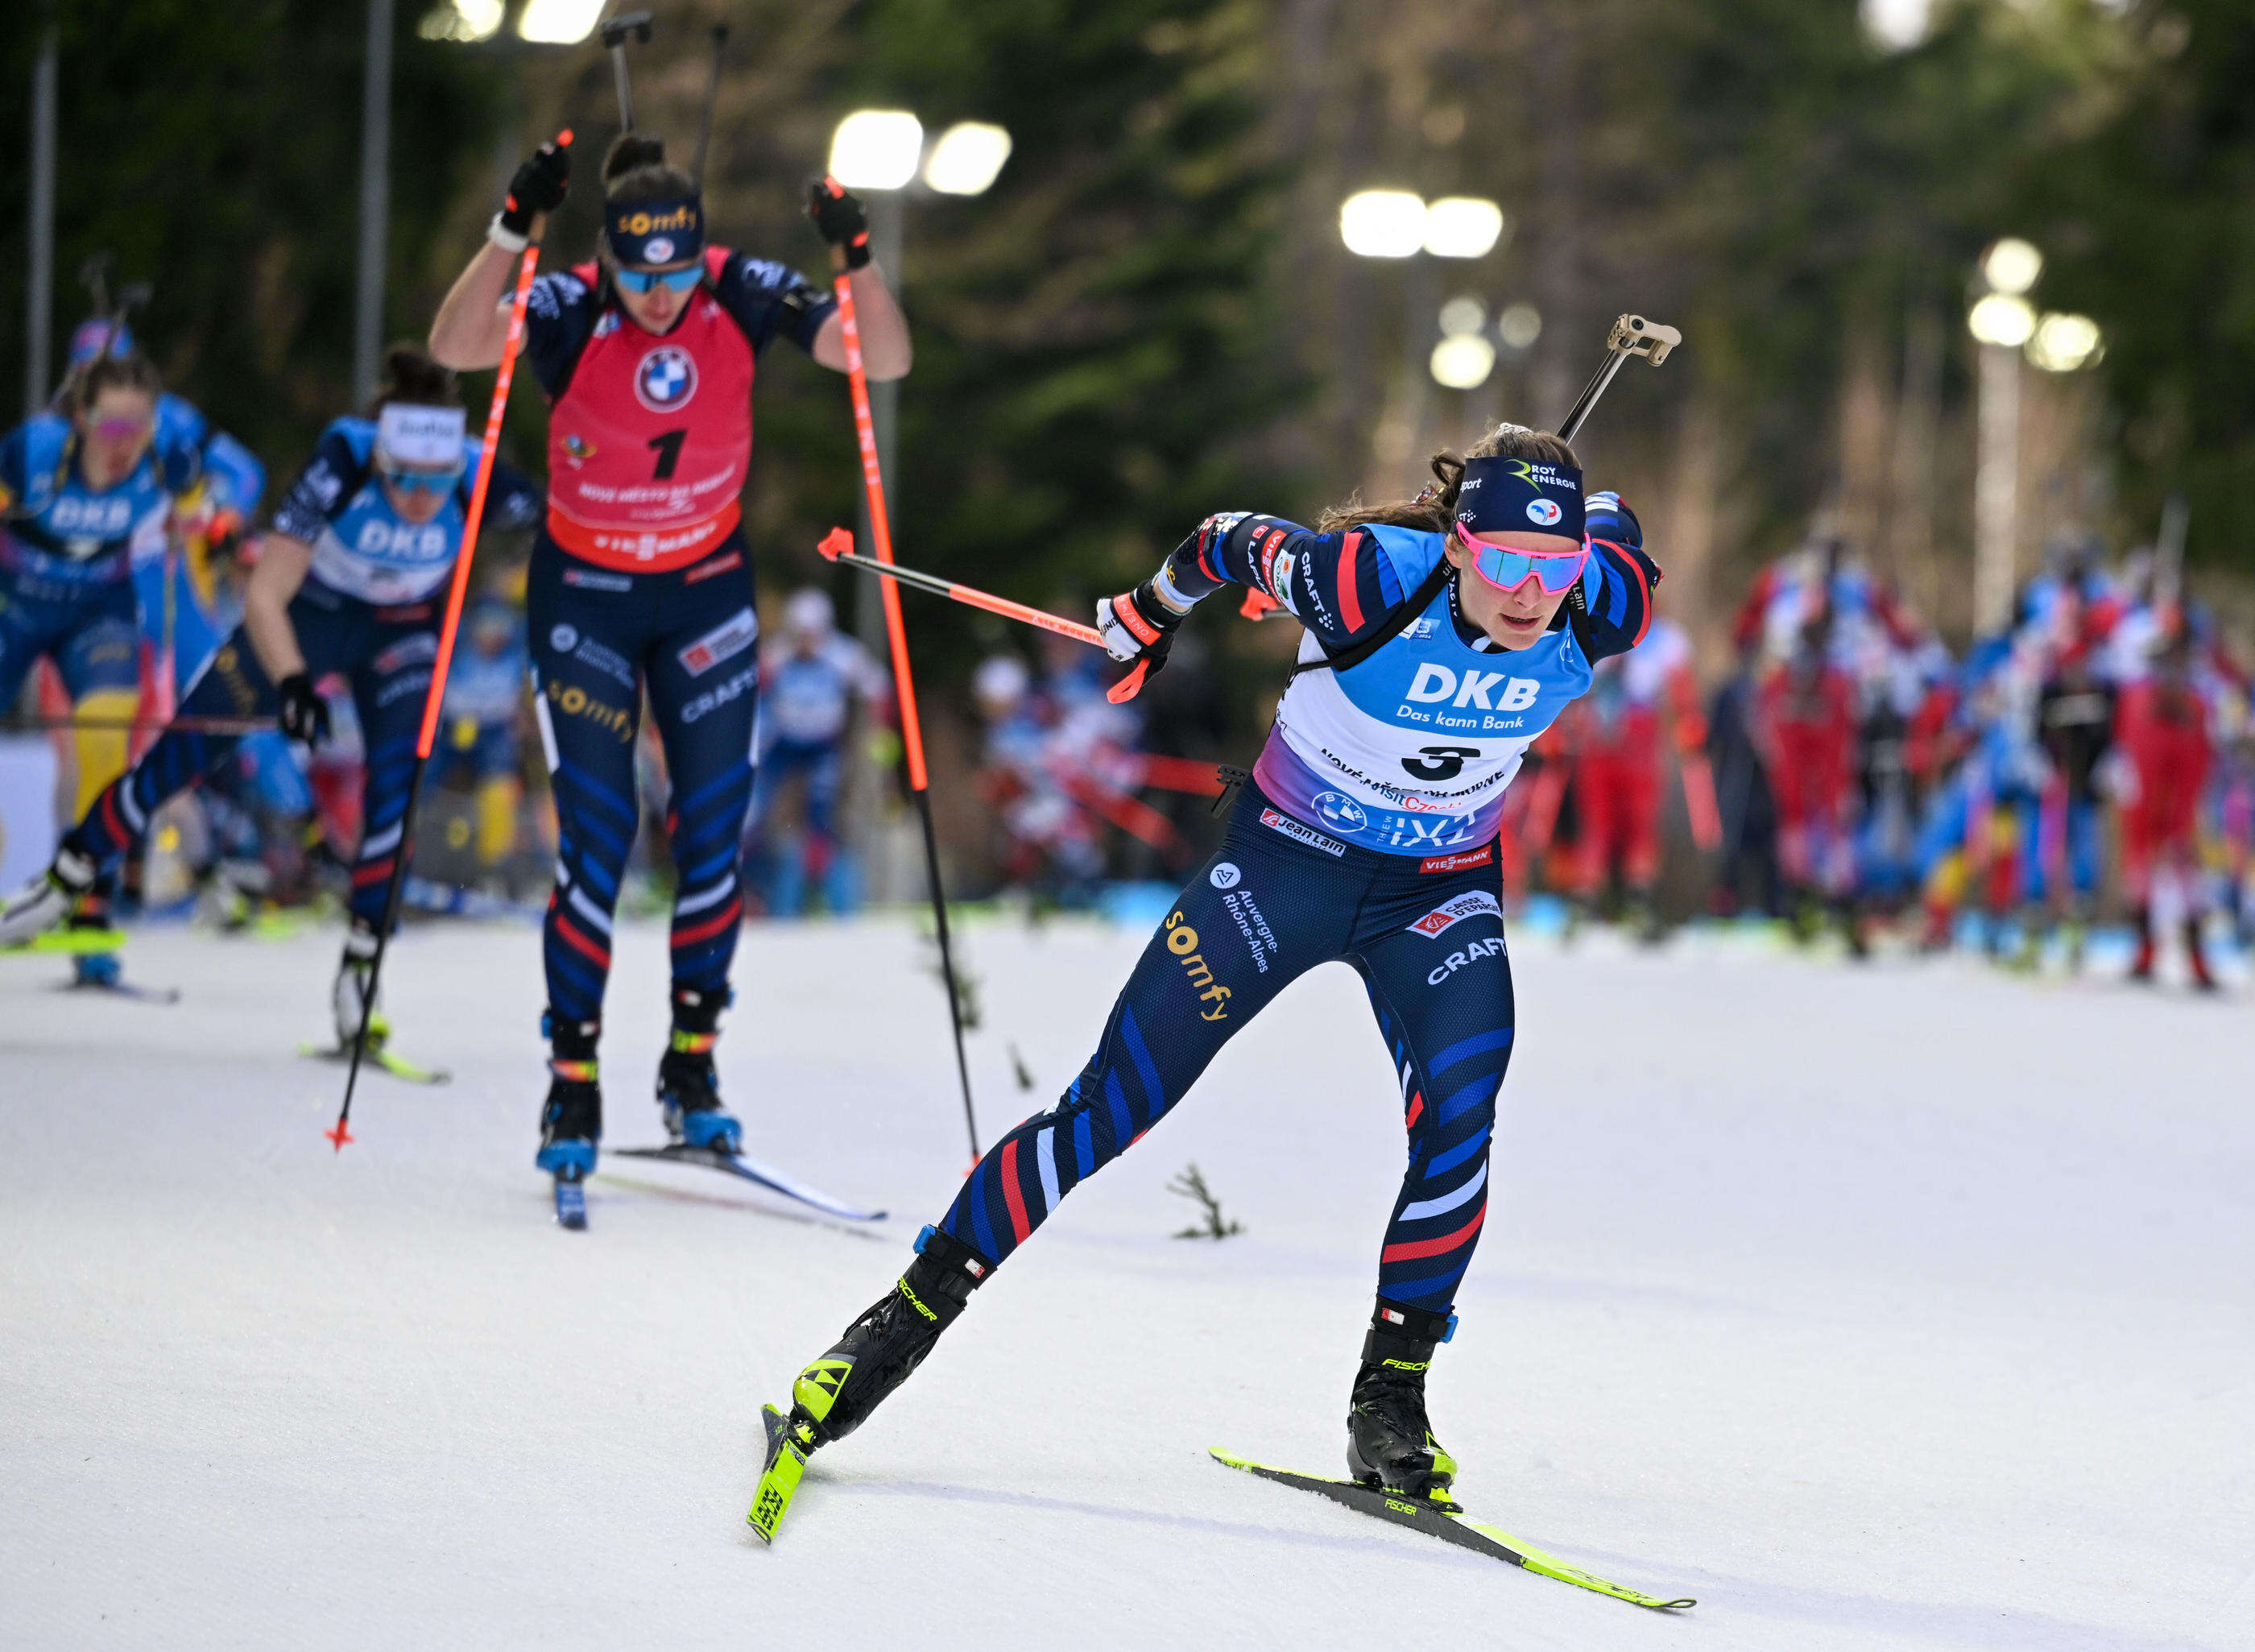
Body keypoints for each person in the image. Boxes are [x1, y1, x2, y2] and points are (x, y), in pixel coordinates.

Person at [752, 425, 1661, 1522]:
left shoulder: (1601, 603)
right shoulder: (1367, 576)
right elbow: (1227, 539)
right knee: (1109, 1107)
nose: (1530, 594)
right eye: (1505, 559)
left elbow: (1621, 539)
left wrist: (1594, 521)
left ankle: (1392, 1399)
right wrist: (1147, 613)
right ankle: (890, 1328)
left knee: (1462, 1120)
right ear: (1460, 544)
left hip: (1438, 887)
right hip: (1285, 869)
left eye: (1552, 566)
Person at [427, 132, 910, 1194]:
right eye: (639, 274)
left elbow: (881, 357)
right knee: (597, 840)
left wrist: (858, 256)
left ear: (700, 254)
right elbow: (457, 345)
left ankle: (692, 1065)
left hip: (702, 597)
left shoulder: (740, 290)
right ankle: (573, 1074)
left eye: (675, 272)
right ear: (611, 259)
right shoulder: (570, 304)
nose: (659, 295)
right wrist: (510, 228)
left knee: (713, 836)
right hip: (586, 601)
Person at [0, 346, 540, 1050]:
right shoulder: (344, 457)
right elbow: (265, 591)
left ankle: (359, 974)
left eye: (435, 482)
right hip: (307, 617)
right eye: (402, 477)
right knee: (184, 751)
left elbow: (563, 532)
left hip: (400, 635)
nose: (417, 499)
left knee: (396, 794)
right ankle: (66, 881)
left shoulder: (483, 474)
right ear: (381, 458)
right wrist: (291, 682)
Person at [0, 348, 232, 987]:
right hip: (15, 604)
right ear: (79, 417)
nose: (124, 445)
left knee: (107, 741)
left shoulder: (169, 455)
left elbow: (199, 524)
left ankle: (90, 905)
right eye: (110, 428)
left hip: (98, 611)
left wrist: (221, 535)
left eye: (139, 428)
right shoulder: (33, 452)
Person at [748, 587, 885, 917]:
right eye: (800, 634)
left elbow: (880, 689)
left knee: (822, 819)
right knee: (752, 815)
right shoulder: (777, 654)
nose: (806, 643)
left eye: (812, 635)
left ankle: (834, 900)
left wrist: (878, 737)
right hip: (782, 744)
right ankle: (754, 893)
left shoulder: (843, 654)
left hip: (824, 745)